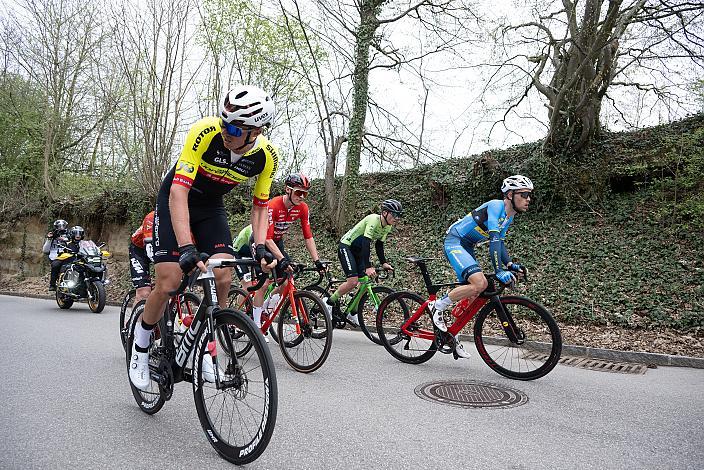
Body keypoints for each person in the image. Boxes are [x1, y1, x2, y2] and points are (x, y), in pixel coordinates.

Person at [129, 85, 279, 390]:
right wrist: (186, 247)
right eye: (225, 123)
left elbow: (261, 206)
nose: (227, 131)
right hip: (176, 200)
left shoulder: (266, 157)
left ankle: (207, 351)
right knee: (169, 281)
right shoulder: (204, 132)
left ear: (256, 131)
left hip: (211, 208)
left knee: (223, 273)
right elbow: (179, 191)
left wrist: (261, 245)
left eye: (235, 127)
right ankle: (141, 345)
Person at [430, 175, 534, 359]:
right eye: (524, 194)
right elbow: (493, 240)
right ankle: (438, 306)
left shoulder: (509, 217)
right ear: (510, 194)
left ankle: (451, 334)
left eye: (529, 195)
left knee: (474, 292)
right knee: (479, 283)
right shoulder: (496, 206)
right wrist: (499, 270)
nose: (528, 199)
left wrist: (509, 264)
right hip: (455, 242)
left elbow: (500, 243)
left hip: (467, 246)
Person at [253, 173, 326, 330]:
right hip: (261, 240)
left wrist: (317, 261)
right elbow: (266, 238)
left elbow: (308, 236)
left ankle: (266, 307)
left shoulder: (302, 208)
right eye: (299, 192)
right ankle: (255, 325)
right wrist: (281, 259)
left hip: (277, 242)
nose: (302, 197)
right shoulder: (273, 205)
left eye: (305, 193)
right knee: (264, 283)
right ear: (288, 190)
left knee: (286, 281)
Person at [326, 200, 402, 326]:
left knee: (364, 282)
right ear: (384, 212)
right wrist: (368, 266)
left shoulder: (388, 226)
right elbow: (366, 243)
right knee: (353, 281)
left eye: (398, 215)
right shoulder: (373, 220)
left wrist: (384, 263)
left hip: (359, 250)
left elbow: (379, 245)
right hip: (347, 246)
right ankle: (328, 303)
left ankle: (353, 312)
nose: (396, 218)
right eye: (394, 215)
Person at [128, 211, 155, 304]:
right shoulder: (152, 217)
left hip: (162, 250)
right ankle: (136, 318)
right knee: (144, 292)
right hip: (139, 250)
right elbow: (150, 249)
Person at [43, 219, 69, 291]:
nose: (61, 228)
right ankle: (52, 284)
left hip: (68, 255)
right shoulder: (52, 235)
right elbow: (45, 250)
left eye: (63, 226)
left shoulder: (69, 235)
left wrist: (64, 239)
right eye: (59, 226)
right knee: (55, 265)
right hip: (55, 257)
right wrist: (49, 239)